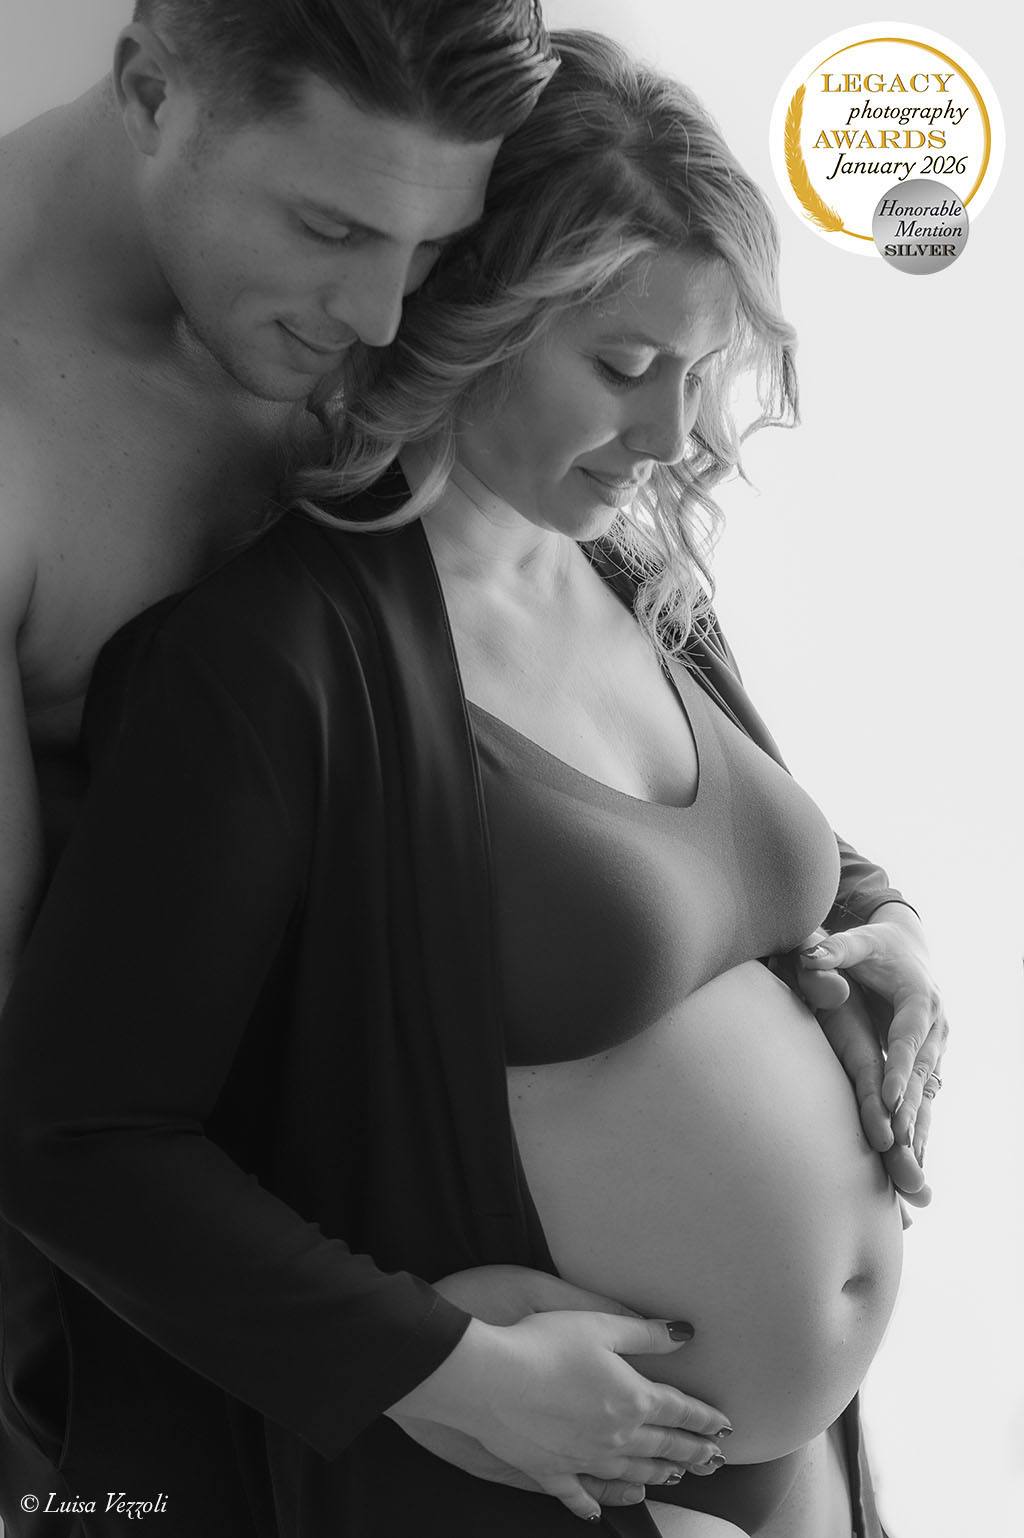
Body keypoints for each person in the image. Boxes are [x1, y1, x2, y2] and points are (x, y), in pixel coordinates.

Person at [0, 28, 948, 1538]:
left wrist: (891, 934)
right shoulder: (271, 661)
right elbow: (75, 1130)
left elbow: (754, 865)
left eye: (700, 375)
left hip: (806, 1463)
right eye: (624, 368)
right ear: (482, 318)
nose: (674, 435)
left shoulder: (637, 576)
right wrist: (433, 1363)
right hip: (534, 1460)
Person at [0, 0, 556, 1528]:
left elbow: (593, 601)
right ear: (150, 92)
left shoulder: (374, 289)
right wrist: (404, 1352)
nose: (380, 317)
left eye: (433, 246)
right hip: (167, 1394)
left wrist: (850, 901)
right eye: (330, 229)